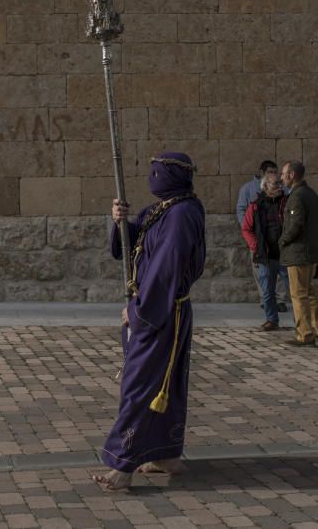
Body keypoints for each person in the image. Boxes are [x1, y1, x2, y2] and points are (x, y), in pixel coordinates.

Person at [92, 152, 206, 491]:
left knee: (140, 386)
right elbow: (134, 244)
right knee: (161, 385)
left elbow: (166, 268)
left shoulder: (183, 213)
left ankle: (123, 464)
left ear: (173, 176)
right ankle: (164, 455)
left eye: (158, 172)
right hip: (155, 309)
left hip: (161, 311)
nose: (152, 177)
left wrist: (139, 308)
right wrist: (120, 222)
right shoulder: (162, 209)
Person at [279, 160, 318, 346]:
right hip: (310, 253)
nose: (281, 177)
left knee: (299, 294)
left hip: (298, 253)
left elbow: (296, 225)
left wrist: (282, 241)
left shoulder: (297, 196)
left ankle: (304, 334)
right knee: (308, 292)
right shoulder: (312, 195)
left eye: (283, 173)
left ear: (292, 175)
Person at [236, 160, 287, 313]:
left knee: (280, 273)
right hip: (259, 239)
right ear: (262, 172)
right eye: (270, 171)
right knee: (261, 273)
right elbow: (241, 209)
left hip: (278, 241)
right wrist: (251, 235)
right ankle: (266, 300)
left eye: (275, 171)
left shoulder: (283, 193)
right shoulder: (247, 189)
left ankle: (279, 300)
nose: (274, 174)